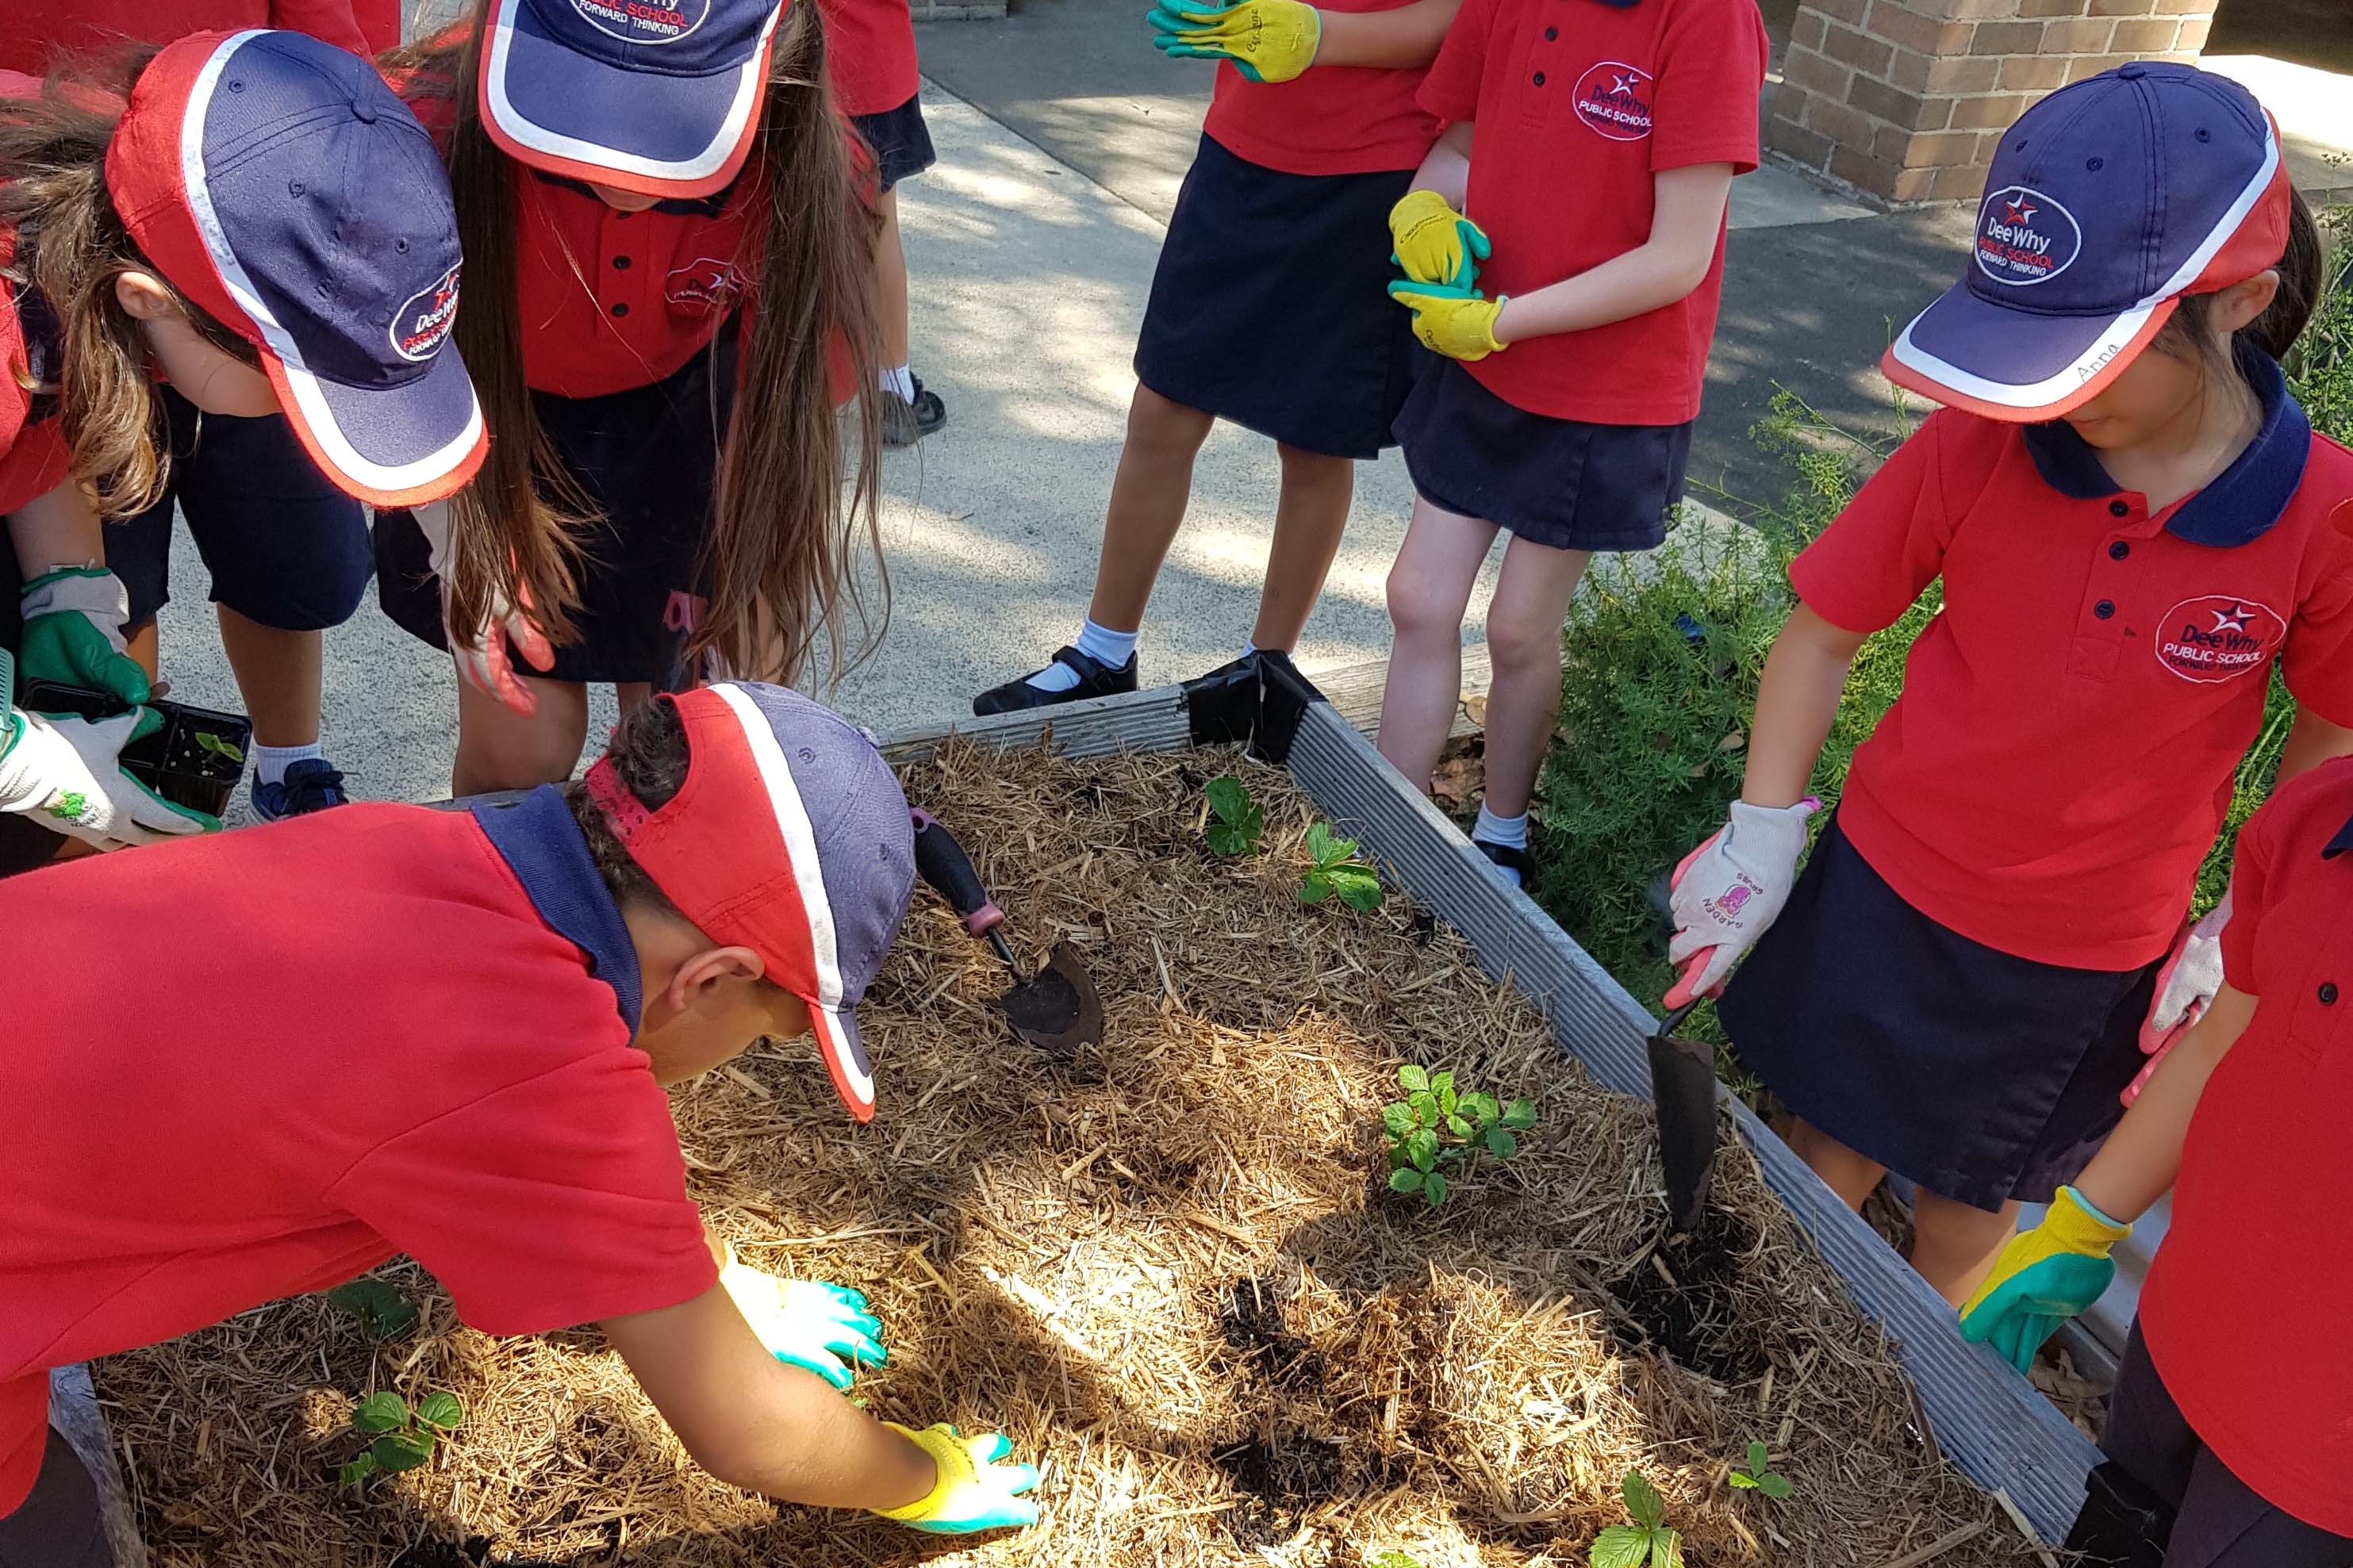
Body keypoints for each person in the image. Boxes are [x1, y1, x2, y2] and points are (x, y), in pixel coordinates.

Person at [0, 684, 1042, 1567]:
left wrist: (714, 1294)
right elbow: (753, 1433)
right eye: (768, 1032)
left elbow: (486, 1163)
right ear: (713, 980)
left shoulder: (423, 841)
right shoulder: (543, 1059)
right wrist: (918, 1476)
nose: (745, 1053)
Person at [1664, 64, 2353, 1305]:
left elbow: (2330, 730)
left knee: (1967, 1219)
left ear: (2241, 301)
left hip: (2083, 952)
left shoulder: (2320, 513)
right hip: (1888, 883)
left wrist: (2234, 929)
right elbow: (1823, 631)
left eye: (2091, 356)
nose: (2056, 391)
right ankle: (1737, 1367)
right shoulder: (1985, 436)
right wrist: (1759, 830)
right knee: (1820, 1162)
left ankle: (1915, 1417)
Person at [0, 30, 485, 868]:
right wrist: (18, 758)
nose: (303, 423)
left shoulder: (117, 212)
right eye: (295, 387)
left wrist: (65, 591)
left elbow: (49, 399)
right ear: (147, 300)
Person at [375, 0, 883, 796]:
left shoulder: (817, 168)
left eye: (671, 130)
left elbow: (786, 409)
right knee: (524, 745)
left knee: (700, 743)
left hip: (697, 411)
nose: (622, 173)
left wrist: (746, 574)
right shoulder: (415, 125)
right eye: (580, 115)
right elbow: (380, 363)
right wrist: (454, 527)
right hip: (490, 411)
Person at [1368, 0, 1771, 887]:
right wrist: (1422, 215)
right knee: (1416, 598)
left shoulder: (1705, 19)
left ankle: (1500, 838)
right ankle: (1381, 836)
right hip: (1483, 357)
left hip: (1604, 388)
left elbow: (1677, 256)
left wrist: (1504, 321)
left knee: (1517, 630)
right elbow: (1454, 151)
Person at [969, 0, 1459, 715]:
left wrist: (1322, 36)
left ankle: (1265, 673)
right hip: (1240, 146)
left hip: (1370, 169)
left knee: (1315, 441)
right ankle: (1103, 653)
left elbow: (1461, 20)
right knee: (1163, 403)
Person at [1958, 753, 2353, 1565]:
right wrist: (2077, 1228)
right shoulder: (2317, 816)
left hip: (2319, 1462)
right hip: (2177, 1339)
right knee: (2108, 1537)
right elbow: (2218, 1040)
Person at [818, 0, 947, 444]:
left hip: (774, 59)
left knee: (768, 218)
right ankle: (893, 391)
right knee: (876, 230)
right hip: (863, 61)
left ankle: (757, 380)